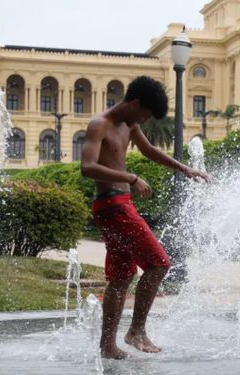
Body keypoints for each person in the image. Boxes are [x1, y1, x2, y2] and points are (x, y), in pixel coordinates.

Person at [81, 75, 209, 359]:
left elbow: (149, 150)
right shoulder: (100, 124)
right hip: (113, 206)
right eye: (147, 114)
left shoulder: (131, 124)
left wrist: (185, 169)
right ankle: (136, 331)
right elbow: (87, 167)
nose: (146, 120)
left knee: (122, 276)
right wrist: (131, 177)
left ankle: (107, 347)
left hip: (119, 204)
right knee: (159, 263)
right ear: (135, 103)